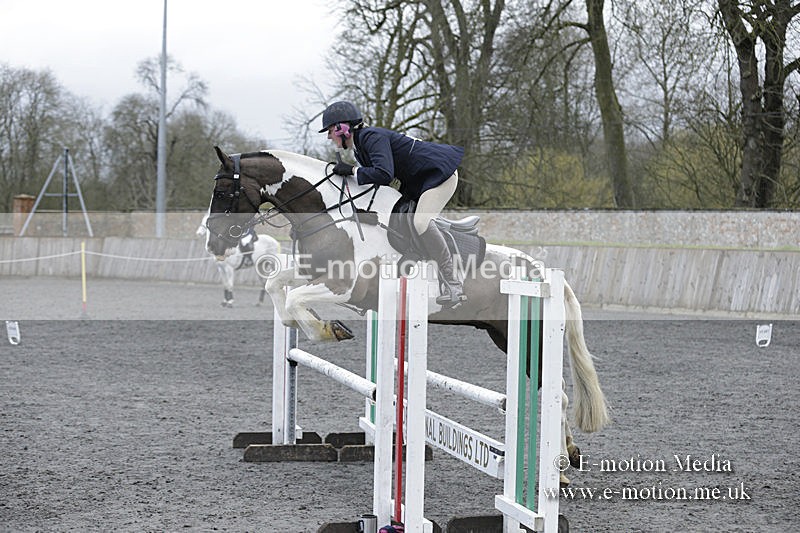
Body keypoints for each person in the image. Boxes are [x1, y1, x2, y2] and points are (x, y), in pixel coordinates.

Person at [319, 100, 467, 307]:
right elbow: (375, 182)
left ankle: (453, 283)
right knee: (398, 217)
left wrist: (352, 171)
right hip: (417, 181)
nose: (328, 136)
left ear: (342, 128)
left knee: (420, 222)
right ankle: (415, 251)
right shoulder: (360, 147)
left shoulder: (371, 137)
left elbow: (384, 174)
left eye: (329, 131)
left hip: (439, 175)